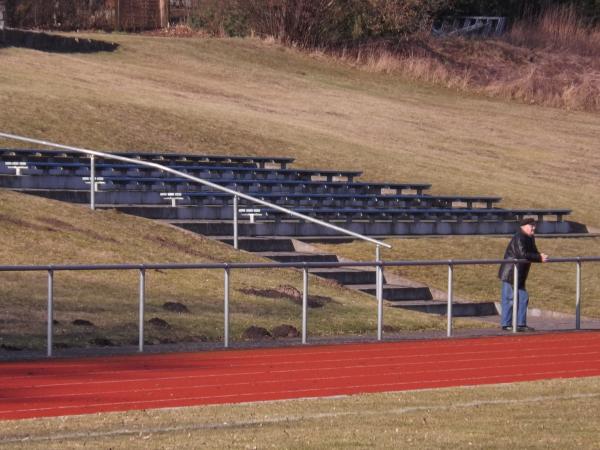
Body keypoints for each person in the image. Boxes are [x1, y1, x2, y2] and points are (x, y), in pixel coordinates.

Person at [498, 217, 548, 332]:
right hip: (510, 273)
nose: (534, 228)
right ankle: (506, 324)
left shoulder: (530, 238)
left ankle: (521, 324)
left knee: (523, 298)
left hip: (520, 274)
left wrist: (540, 256)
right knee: (509, 298)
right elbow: (523, 254)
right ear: (524, 227)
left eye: (534, 225)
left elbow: (533, 252)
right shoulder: (519, 237)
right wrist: (538, 257)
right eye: (532, 226)